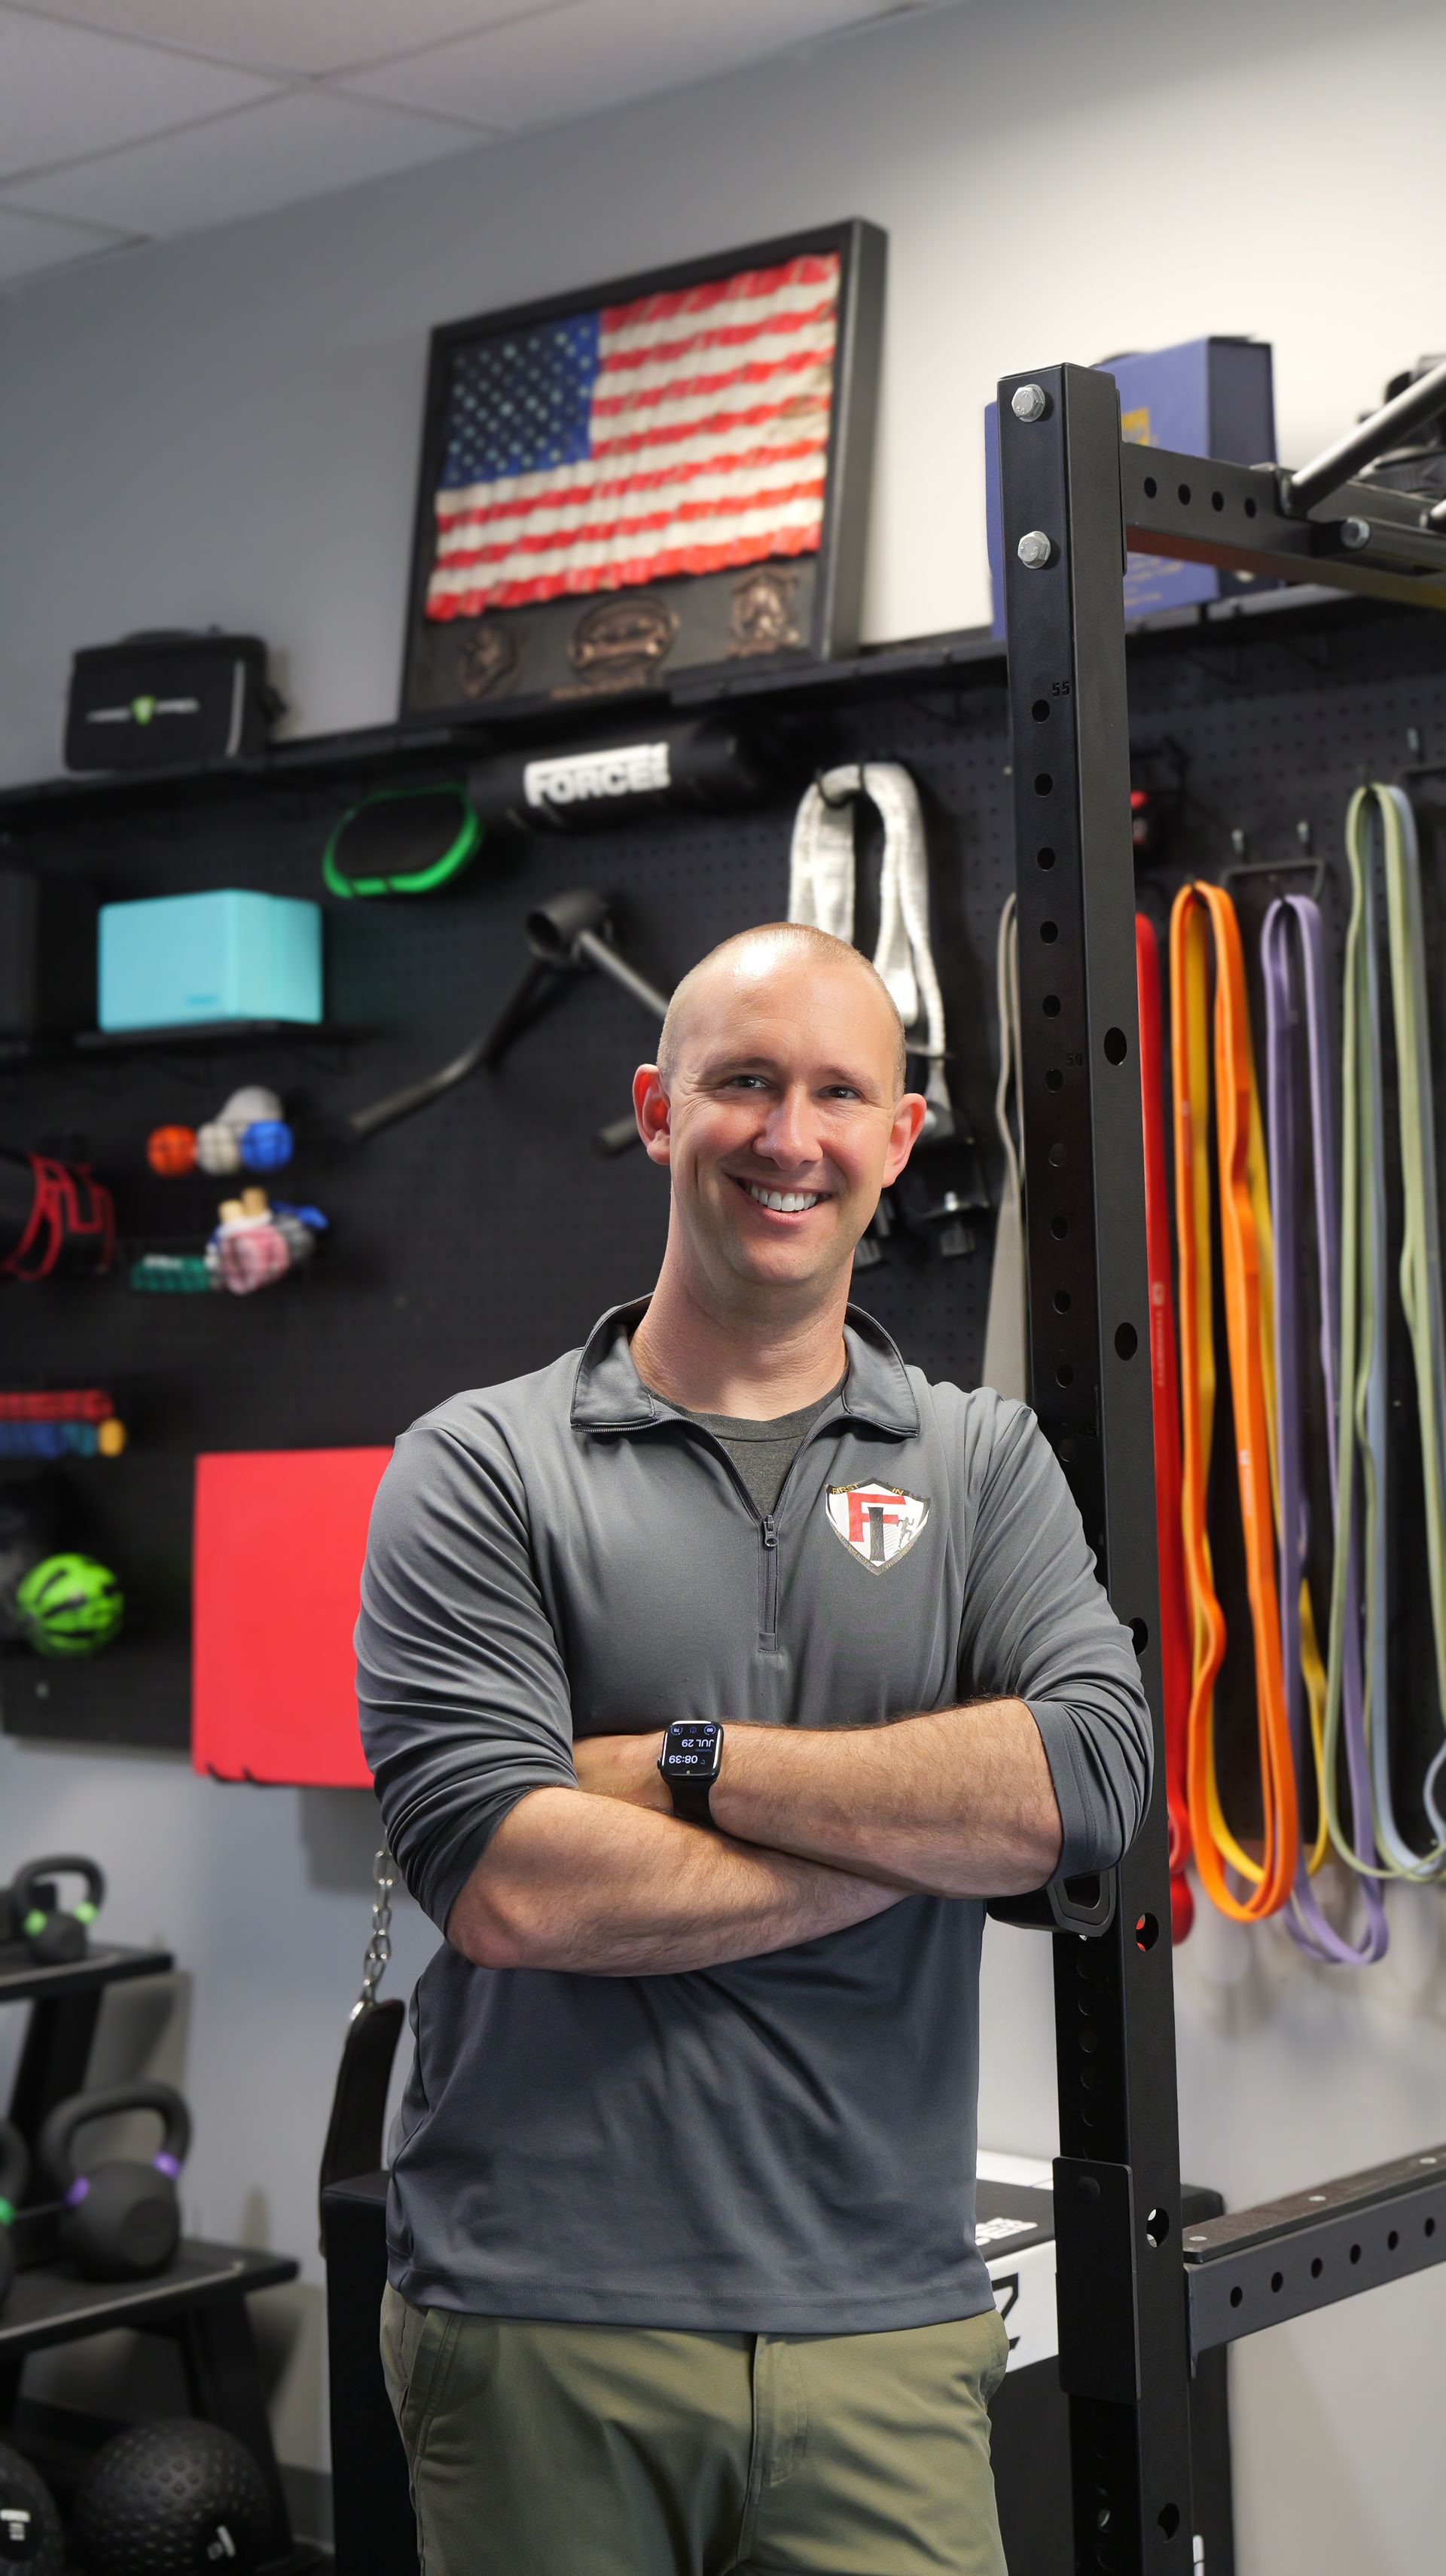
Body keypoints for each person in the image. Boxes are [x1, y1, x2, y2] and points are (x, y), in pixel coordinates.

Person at [356, 920, 1151, 2576]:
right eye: (743, 1085)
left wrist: (688, 1766)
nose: (789, 1139)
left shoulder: (981, 1462)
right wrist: (912, 1832)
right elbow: (516, 1889)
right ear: (658, 1110)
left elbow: (1086, 1784)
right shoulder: (480, 1468)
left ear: (897, 1141)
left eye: (837, 1095)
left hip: (884, 2325)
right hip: (537, 2325)